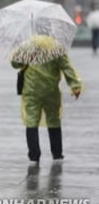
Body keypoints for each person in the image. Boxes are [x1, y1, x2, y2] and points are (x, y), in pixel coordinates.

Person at [11, 35, 82, 164]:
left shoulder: (27, 45)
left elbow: (15, 63)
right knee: (53, 119)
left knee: (31, 120)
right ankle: (57, 153)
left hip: (31, 90)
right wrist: (75, 86)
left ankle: (34, 155)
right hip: (51, 90)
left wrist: (26, 59)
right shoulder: (56, 47)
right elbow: (66, 67)